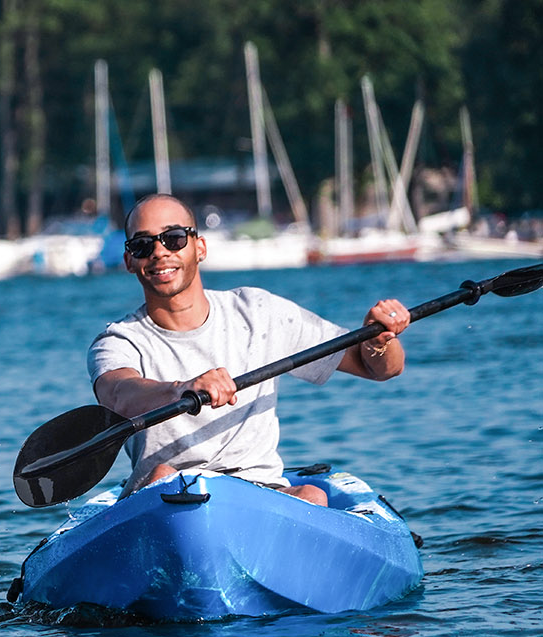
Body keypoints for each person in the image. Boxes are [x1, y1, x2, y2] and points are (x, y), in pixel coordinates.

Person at [88, 193, 410, 505]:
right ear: (130, 260)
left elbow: (378, 369)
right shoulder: (118, 341)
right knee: (162, 475)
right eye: (143, 245)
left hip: (257, 491)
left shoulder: (258, 312)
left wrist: (378, 340)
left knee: (313, 496)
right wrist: (181, 390)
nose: (159, 252)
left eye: (173, 238)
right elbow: (118, 394)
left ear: (199, 247)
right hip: (165, 496)